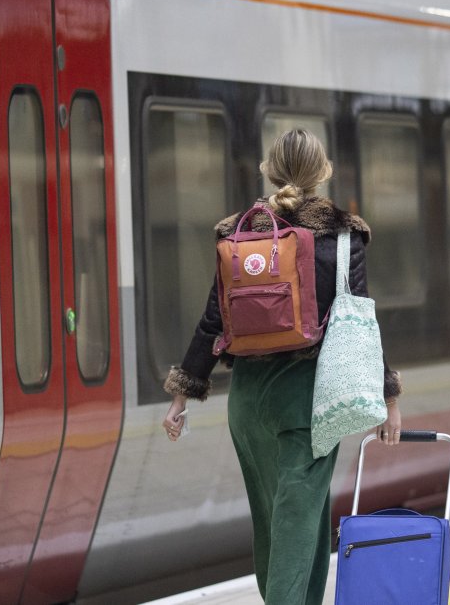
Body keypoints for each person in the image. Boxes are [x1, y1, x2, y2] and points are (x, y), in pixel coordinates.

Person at [162, 128, 402, 604]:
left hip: (248, 404)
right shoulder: (343, 234)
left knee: (281, 521)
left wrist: (180, 398)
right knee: (296, 524)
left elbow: (214, 321)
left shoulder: (240, 232)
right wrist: (389, 399)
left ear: (270, 171)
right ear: (323, 171)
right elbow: (360, 325)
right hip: (308, 406)